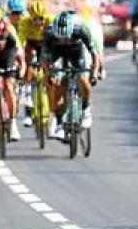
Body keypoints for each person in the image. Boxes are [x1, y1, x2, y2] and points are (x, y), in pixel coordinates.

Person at [41, 11, 99, 140]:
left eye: (66, 37)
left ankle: (86, 110)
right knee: (56, 85)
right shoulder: (49, 33)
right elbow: (44, 59)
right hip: (57, 53)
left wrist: (94, 73)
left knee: (83, 78)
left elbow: (95, 54)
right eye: (60, 38)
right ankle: (59, 122)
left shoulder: (81, 30)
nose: (64, 40)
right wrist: (49, 73)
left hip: (77, 52)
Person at [18, 0, 54, 127]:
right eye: (35, 19)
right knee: (28, 61)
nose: (39, 23)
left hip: (45, 45)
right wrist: (21, 61)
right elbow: (21, 44)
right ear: (30, 17)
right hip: (31, 45)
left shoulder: (51, 20)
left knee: (51, 68)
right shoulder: (24, 22)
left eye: (41, 19)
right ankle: (28, 101)